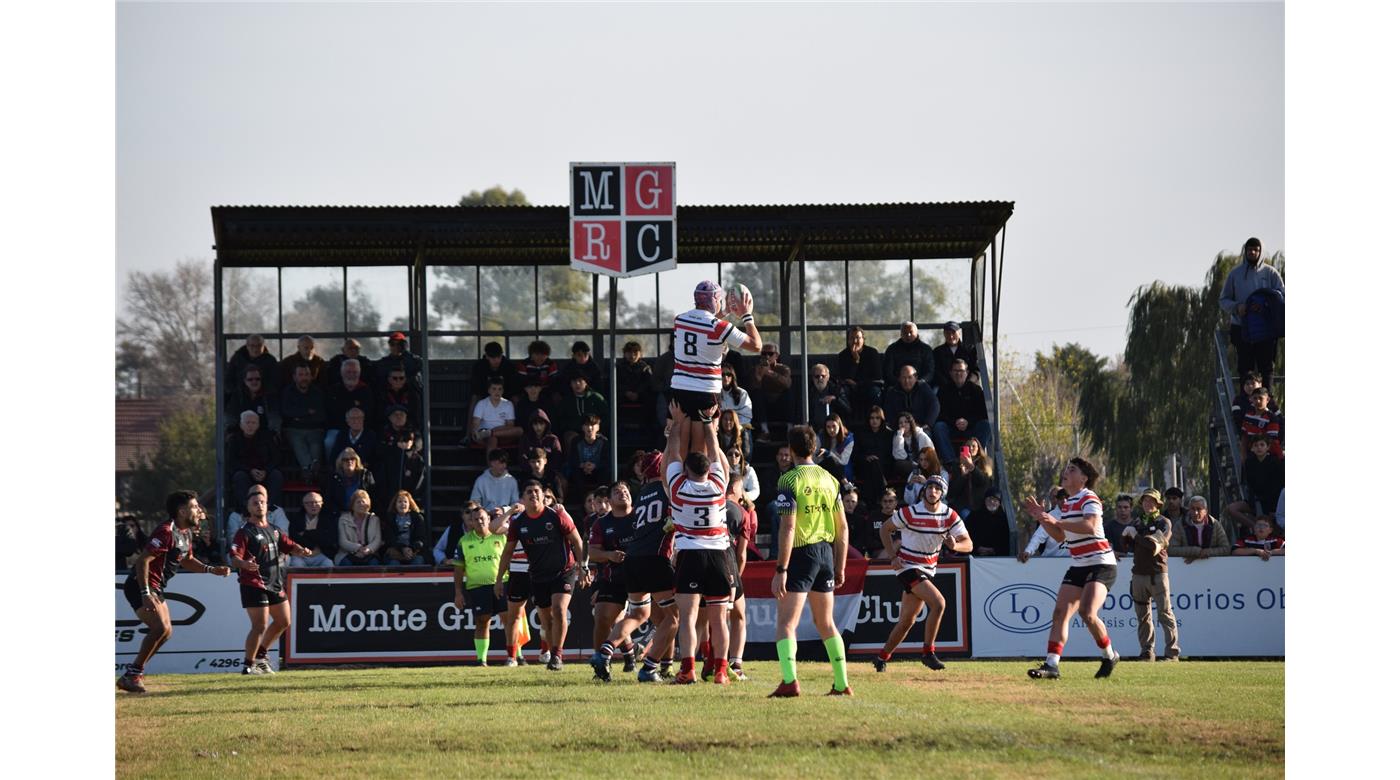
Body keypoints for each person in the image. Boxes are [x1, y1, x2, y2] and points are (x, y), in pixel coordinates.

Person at [117, 491, 232, 693]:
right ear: (181, 511)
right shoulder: (166, 531)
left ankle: (134, 674)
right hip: (140, 585)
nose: (199, 511)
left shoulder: (185, 532)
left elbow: (187, 560)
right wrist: (145, 593)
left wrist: (211, 569)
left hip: (155, 586)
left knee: (166, 632)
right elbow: (143, 560)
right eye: (195, 507)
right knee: (160, 629)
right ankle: (133, 674)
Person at [769, 424, 852, 697]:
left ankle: (790, 681)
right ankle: (841, 684)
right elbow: (842, 528)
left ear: (791, 450)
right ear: (815, 448)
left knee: (786, 624)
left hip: (802, 553)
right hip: (826, 553)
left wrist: (781, 568)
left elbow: (788, 527)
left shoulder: (788, 480)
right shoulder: (830, 479)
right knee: (826, 623)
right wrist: (840, 566)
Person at [656, 401, 736, 685]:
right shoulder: (718, 487)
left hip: (690, 554)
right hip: (718, 556)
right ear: (709, 470)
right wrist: (710, 425)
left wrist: (677, 424)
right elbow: (718, 455)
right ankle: (722, 671)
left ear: (687, 470)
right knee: (719, 619)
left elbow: (669, 460)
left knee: (688, 617)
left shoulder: (678, 489)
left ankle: (688, 669)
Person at [1021, 458, 1121, 680]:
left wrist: (1055, 522)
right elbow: (1059, 537)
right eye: (1066, 469)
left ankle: (1109, 655)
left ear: (1083, 478)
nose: (1066, 472)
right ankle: (1051, 666)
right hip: (1078, 564)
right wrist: (1042, 519)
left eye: (1072, 470)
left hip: (1101, 564)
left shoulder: (1089, 497)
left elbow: (1090, 526)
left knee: (1087, 612)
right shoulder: (1067, 505)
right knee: (1060, 613)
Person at [873, 475, 972, 672]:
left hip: (927, 569)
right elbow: (885, 529)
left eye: (937, 488)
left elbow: (968, 544)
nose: (932, 491)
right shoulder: (910, 512)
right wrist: (893, 557)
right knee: (939, 603)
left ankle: (881, 657)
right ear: (923, 490)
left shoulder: (949, 515)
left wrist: (955, 545)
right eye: (930, 487)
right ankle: (928, 652)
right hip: (907, 566)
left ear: (942, 493)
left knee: (906, 622)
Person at [599, 451, 680, 683]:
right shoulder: (668, 488)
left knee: (639, 613)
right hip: (655, 558)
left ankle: (605, 652)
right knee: (673, 617)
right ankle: (651, 667)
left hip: (633, 559)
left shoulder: (642, 492)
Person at [495, 480, 590, 671]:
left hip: (564, 571)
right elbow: (507, 552)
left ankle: (557, 656)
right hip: (538, 575)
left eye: (537, 491)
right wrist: (498, 579)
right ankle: (547, 650)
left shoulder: (556, 515)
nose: (534, 495)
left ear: (542, 495)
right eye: (529, 492)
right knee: (546, 620)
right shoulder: (518, 522)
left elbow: (577, 541)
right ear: (523, 498)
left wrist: (583, 567)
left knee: (559, 610)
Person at [229, 486, 314, 675]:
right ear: (248, 507)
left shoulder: (274, 530)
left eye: (262, 502)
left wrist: (302, 550)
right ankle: (248, 666)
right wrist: (243, 564)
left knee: (284, 621)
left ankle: (260, 656)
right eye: (255, 503)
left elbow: (289, 545)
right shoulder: (244, 532)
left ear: (267, 506)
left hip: (275, 582)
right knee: (259, 626)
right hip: (254, 584)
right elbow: (234, 557)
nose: (259, 505)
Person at [670, 281, 762, 447]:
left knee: (680, 446)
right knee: (701, 448)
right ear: (714, 300)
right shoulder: (719, 327)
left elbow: (702, 324)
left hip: (680, 387)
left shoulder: (679, 320)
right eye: (719, 301)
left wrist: (726, 311)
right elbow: (756, 345)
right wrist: (747, 316)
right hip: (705, 391)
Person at [586, 482, 637, 680]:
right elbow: (592, 552)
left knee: (664, 618)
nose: (622, 494)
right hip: (613, 576)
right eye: (617, 492)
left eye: (625, 491)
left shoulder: (640, 516)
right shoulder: (601, 524)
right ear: (609, 500)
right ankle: (601, 665)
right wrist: (609, 555)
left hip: (643, 574)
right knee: (601, 618)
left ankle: (664, 665)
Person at [451, 501, 512, 666]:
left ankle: (515, 657)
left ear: (488, 519)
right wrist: (458, 592)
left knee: (510, 620)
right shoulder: (464, 541)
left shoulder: (501, 536)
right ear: (470, 522)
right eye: (476, 519)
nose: (480, 521)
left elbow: (510, 559)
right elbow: (458, 569)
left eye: (483, 518)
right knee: (482, 621)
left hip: (501, 583)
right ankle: (481, 660)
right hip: (477, 587)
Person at [1219, 237, 1285, 389]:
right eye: (1249, 250)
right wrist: (1237, 307)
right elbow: (1223, 300)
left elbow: (1282, 297)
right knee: (1245, 369)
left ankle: (1268, 403)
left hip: (1266, 330)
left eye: (1256, 250)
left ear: (1260, 251)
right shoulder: (1235, 275)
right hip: (1242, 328)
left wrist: (1265, 306)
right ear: (1245, 251)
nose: (1253, 252)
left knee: (1266, 368)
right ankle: (1245, 405)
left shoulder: (1271, 273)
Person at [1121, 489, 1178, 662]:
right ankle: (1147, 652)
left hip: (1158, 574)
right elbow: (1127, 547)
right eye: (1145, 500)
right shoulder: (1138, 521)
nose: (1148, 503)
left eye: (1152, 501)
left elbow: (1154, 547)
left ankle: (1172, 653)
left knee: (1165, 614)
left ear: (1158, 504)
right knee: (1143, 616)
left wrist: (1135, 535)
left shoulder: (1164, 522)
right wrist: (1126, 536)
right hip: (1138, 574)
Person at [724, 476, 758, 681]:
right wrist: (737, 576)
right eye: (741, 488)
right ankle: (734, 664)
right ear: (735, 487)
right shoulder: (742, 512)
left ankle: (695, 663)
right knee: (737, 615)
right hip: (727, 564)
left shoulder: (710, 503)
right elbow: (742, 554)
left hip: (697, 561)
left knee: (701, 620)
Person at [932, 359, 991, 463]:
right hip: (951, 428)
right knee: (939, 427)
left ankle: (976, 460)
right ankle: (951, 462)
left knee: (986, 425)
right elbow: (939, 414)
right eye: (955, 371)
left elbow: (983, 413)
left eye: (961, 371)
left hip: (971, 430)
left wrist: (968, 421)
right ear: (950, 372)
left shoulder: (976, 390)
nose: (958, 374)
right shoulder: (943, 390)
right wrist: (954, 422)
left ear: (967, 372)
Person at [226, 411, 284, 509]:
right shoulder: (234, 440)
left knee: (277, 475)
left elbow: (276, 458)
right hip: (245, 472)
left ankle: (269, 507)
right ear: (241, 425)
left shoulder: (267, 438)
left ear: (258, 425)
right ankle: (246, 508)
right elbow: (232, 461)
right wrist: (250, 471)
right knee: (239, 477)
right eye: (247, 423)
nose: (250, 426)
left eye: (253, 423)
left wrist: (266, 471)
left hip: (265, 472)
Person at [280, 364, 327, 480]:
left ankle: (310, 470)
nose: (304, 378)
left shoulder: (317, 393)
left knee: (315, 444)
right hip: (294, 429)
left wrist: (299, 415)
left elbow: (321, 415)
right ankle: (309, 468)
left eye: (307, 375)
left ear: (311, 377)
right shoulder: (288, 392)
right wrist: (308, 412)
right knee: (298, 442)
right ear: (294, 377)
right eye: (300, 375)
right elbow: (287, 412)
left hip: (315, 429)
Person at [324, 358, 374, 459]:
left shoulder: (366, 390)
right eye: (348, 372)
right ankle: (333, 469)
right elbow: (331, 411)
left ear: (359, 373)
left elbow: (370, 412)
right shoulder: (334, 390)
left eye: (354, 372)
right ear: (342, 373)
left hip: (360, 429)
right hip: (338, 428)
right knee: (329, 442)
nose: (351, 374)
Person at [835, 325, 884, 416]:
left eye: (857, 338)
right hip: (850, 388)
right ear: (848, 340)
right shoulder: (843, 355)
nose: (855, 341)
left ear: (863, 339)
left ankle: (875, 419)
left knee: (875, 392)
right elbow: (844, 377)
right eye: (852, 338)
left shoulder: (872, 353)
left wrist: (858, 384)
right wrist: (855, 361)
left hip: (868, 386)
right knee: (841, 393)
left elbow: (877, 376)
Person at [852, 406, 895, 507]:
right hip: (864, 466)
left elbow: (891, 455)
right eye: (872, 418)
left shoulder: (889, 434)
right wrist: (866, 458)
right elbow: (855, 454)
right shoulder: (860, 433)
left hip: (884, 467)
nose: (874, 421)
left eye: (877, 418)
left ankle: (870, 503)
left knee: (876, 465)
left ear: (882, 419)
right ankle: (882, 494)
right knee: (873, 465)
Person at [1168, 495, 1231, 563]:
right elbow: (1171, 550)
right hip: (1187, 567)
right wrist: (1195, 551)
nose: (1195, 512)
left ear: (1205, 511)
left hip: (1212, 566)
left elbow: (1226, 549)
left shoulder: (1215, 525)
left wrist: (1207, 552)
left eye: (1199, 509)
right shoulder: (1180, 525)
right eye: (1193, 509)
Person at [557, 373, 609, 451]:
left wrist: (597, 428)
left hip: (593, 430)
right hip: (574, 431)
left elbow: (606, 416)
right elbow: (561, 418)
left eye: (580, 381)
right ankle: (573, 461)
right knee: (570, 438)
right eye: (574, 381)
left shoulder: (596, 398)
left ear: (586, 382)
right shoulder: (566, 400)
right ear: (570, 384)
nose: (577, 384)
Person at [467, 376, 521, 451]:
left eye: (500, 389)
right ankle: (492, 462)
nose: (497, 392)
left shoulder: (508, 404)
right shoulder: (481, 403)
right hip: (484, 435)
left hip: (503, 435)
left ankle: (491, 433)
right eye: (494, 389)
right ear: (489, 390)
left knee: (519, 430)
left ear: (503, 391)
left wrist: (493, 432)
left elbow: (510, 425)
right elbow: (475, 423)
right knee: (493, 439)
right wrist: (476, 434)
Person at [881, 364, 939, 434]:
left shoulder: (923, 387)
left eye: (910, 377)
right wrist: (898, 426)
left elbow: (934, 405)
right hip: (900, 427)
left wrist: (927, 424)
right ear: (899, 379)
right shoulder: (893, 392)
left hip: (921, 426)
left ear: (916, 378)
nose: (907, 381)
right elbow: (889, 411)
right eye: (904, 377)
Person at [752, 345, 795, 440]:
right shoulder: (757, 369)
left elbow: (787, 384)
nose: (767, 357)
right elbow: (754, 388)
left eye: (770, 354)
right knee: (757, 394)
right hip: (764, 407)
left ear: (776, 355)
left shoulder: (784, 369)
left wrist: (770, 373)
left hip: (781, 405)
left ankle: (790, 429)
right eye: (764, 354)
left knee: (789, 393)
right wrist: (759, 378)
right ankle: (765, 431)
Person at [320, 447, 376, 519]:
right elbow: (329, 500)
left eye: (352, 459)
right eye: (346, 460)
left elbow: (374, 496)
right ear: (341, 463)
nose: (349, 461)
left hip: (363, 514)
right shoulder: (334, 478)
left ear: (357, 461)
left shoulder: (366, 475)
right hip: (341, 516)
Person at [947, 436, 994, 518]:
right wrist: (963, 476)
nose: (971, 448)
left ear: (978, 448)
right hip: (962, 506)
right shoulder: (957, 464)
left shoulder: (985, 463)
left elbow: (983, 481)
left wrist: (972, 468)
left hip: (979, 505)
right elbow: (953, 491)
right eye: (968, 446)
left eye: (973, 446)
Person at [226, 364, 280, 432]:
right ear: (245, 381)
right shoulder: (238, 396)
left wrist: (274, 433)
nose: (254, 382)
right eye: (250, 379)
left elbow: (274, 418)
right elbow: (231, 417)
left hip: (264, 434)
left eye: (257, 379)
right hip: (241, 434)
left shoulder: (269, 396)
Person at [288, 491, 335, 568]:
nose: (313, 505)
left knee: (328, 564)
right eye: (309, 503)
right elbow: (294, 537)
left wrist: (305, 534)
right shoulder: (296, 519)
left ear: (322, 503)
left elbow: (329, 540)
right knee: (296, 564)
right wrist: (317, 536)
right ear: (303, 505)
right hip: (301, 554)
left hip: (321, 554)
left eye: (316, 502)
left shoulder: (328, 519)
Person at [381, 490, 429, 565]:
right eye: (400, 502)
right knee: (394, 563)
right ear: (395, 504)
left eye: (405, 502)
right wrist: (402, 549)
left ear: (410, 504)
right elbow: (389, 539)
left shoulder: (417, 518)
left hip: (413, 552)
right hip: (395, 552)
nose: (403, 504)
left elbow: (422, 539)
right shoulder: (389, 519)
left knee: (418, 561)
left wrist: (411, 549)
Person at [336, 489, 382, 565]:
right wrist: (358, 548)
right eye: (358, 502)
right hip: (348, 553)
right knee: (346, 564)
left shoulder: (374, 519)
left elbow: (377, 540)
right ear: (352, 505)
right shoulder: (343, 519)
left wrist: (367, 550)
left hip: (369, 553)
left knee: (374, 564)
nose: (361, 504)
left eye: (363, 502)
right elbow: (342, 541)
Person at [883, 321, 936, 387]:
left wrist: (920, 382)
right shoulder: (892, 349)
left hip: (920, 386)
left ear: (916, 333)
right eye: (905, 333)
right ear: (901, 334)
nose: (908, 335)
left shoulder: (926, 349)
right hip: (896, 385)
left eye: (911, 332)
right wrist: (901, 383)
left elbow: (930, 372)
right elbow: (888, 372)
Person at [931, 321, 979, 390]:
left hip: (967, 386)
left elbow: (976, 370)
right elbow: (936, 371)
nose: (951, 336)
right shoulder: (938, 351)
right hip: (944, 387)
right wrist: (948, 384)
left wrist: (968, 383)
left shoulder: (970, 350)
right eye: (948, 333)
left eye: (953, 333)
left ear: (959, 333)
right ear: (944, 334)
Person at [1239, 386, 1284, 459]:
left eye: (1261, 398)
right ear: (1251, 399)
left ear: (1267, 399)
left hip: (1267, 458)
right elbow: (1244, 437)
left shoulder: (1271, 418)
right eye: (1255, 398)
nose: (1257, 401)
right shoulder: (1248, 415)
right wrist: (1243, 455)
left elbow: (1272, 442)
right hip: (1251, 456)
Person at [327, 407, 376, 472]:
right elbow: (334, 457)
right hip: (344, 472)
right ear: (347, 421)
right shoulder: (342, 435)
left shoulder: (371, 435)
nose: (356, 421)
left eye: (359, 418)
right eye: (352, 418)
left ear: (363, 419)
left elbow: (374, 459)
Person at [964, 489, 1011, 556]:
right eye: (989, 499)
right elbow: (966, 534)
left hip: (998, 557)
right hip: (975, 556)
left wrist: (994, 550)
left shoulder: (1004, 519)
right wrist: (978, 548)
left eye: (995, 500)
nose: (992, 501)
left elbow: (1006, 541)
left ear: (999, 503)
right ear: (984, 500)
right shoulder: (974, 517)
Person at [375, 365, 421, 430]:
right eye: (395, 378)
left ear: (405, 379)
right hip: (385, 429)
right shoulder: (381, 393)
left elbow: (415, 416)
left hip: (408, 428)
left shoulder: (412, 394)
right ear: (389, 379)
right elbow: (379, 414)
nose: (398, 381)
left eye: (401, 378)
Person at [892, 413, 936, 481]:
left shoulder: (921, 435)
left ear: (911, 423)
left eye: (906, 422)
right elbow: (900, 457)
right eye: (900, 423)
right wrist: (900, 436)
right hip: (910, 467)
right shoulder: (897, 437)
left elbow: (930, 454)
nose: (903, 424)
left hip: (923, 465)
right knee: (899, 464)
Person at [815, 413, 855, 483]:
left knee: (831, 461)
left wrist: (827, 453)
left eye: (834, 426)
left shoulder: (848, 439)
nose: (831, 430)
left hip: (842, 470)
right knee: (828, 461)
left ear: (839, 426)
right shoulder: (820, 437)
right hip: (824, 470)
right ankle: (846, 484)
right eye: (828, 427)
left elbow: (843, 461)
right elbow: (815, 459)